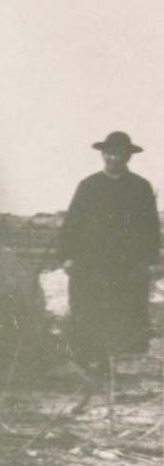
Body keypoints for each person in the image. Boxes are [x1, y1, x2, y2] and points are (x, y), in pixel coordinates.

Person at [56, 130, 159, 375]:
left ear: (128, 157)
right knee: (87, 308)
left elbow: (150, 228)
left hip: (125, 263)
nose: (114, 158)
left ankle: (111, 362)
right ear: (103, 154)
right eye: (110, 153)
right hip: (90, 262)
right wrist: (67, 256)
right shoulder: (89, 185)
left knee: (121, 310)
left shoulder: (140, 187)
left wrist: (149, 260)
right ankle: (87, 362)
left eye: (120, 154)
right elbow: (72, 223)